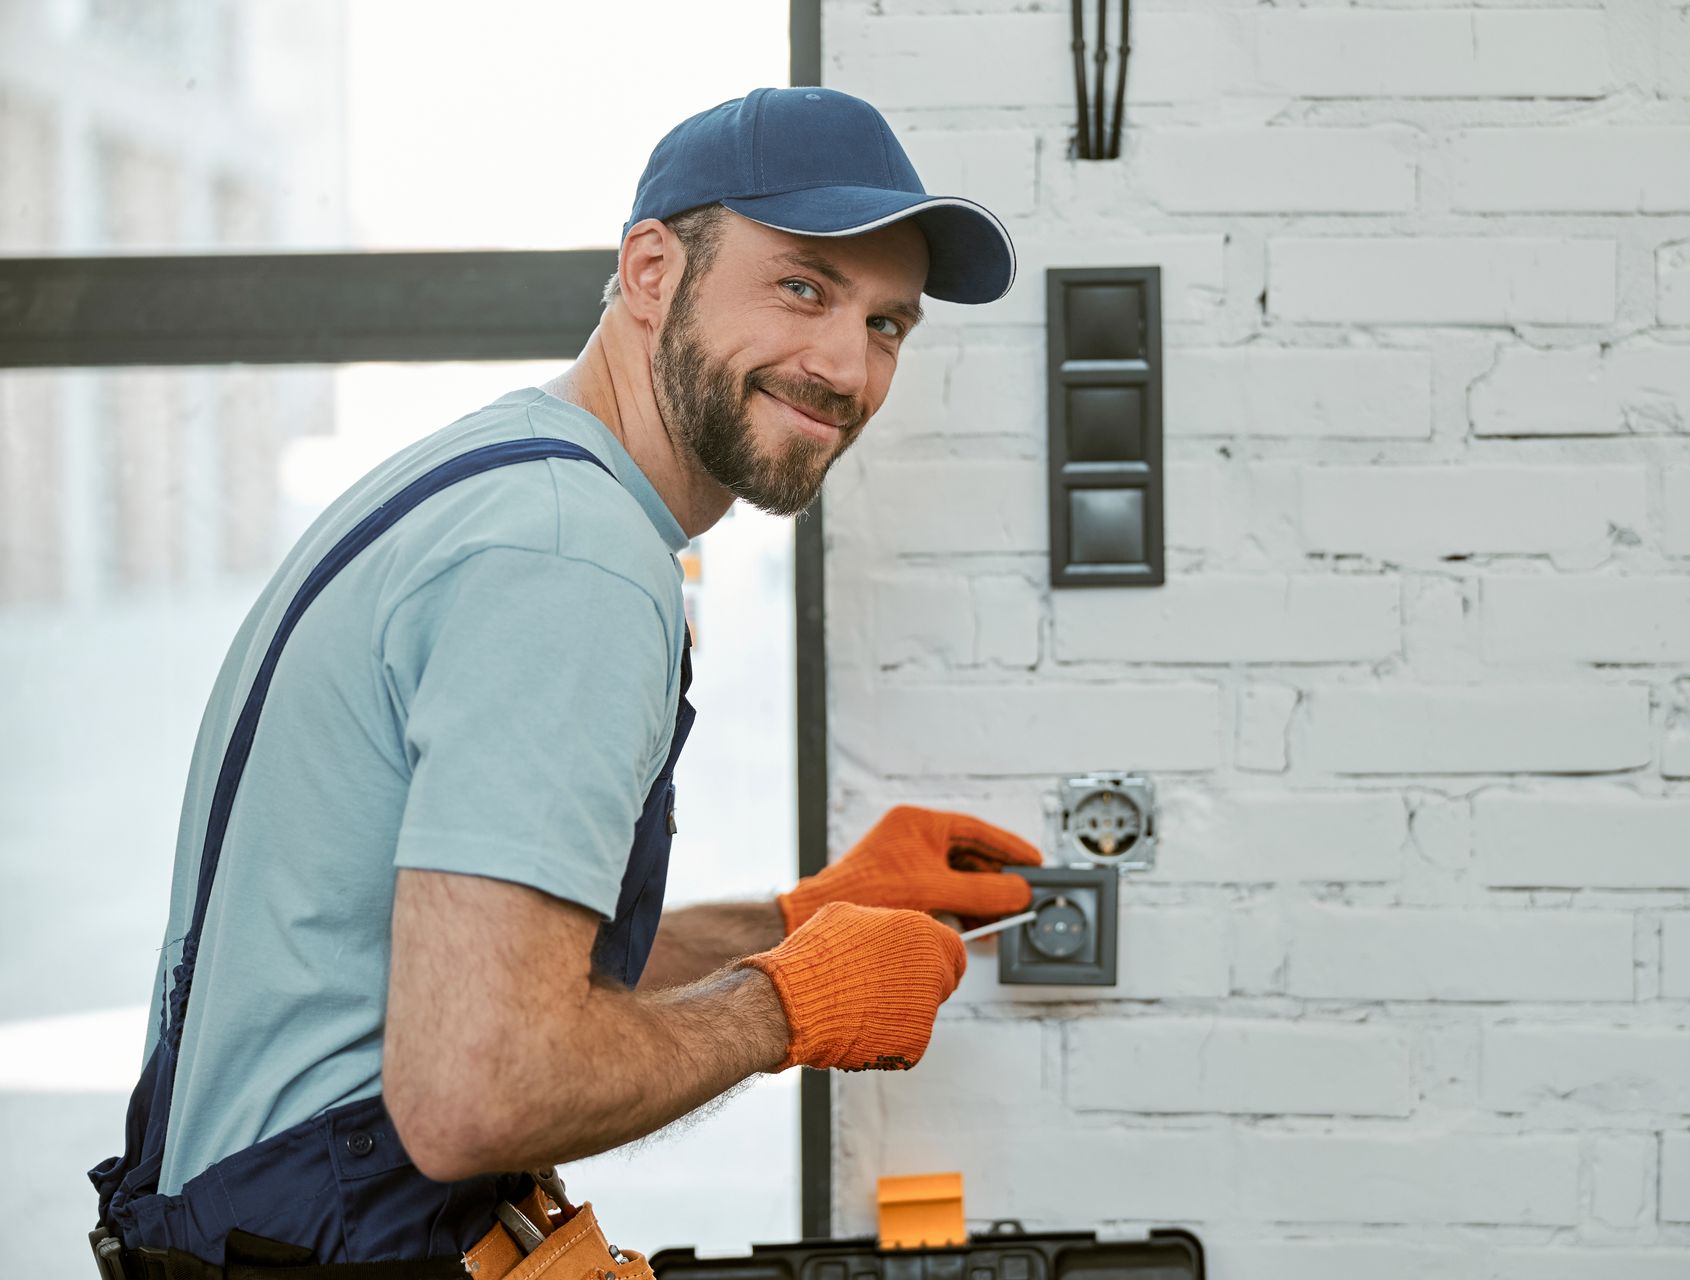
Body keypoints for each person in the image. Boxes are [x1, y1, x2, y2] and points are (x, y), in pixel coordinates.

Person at [87, 86, 1038, 1280]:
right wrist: (789, 1004)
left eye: (889, 323)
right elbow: (479, 1086)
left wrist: (795, 922)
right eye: (801, 285)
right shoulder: (569, 555)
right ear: (651, 270)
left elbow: (496, 976)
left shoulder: (503, 478)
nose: (846, 364)